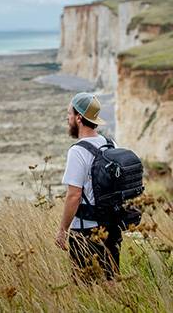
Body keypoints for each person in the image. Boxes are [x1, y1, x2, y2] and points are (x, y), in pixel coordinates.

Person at [54, 92, 122, 280]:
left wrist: (62, 230)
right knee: (111, 282)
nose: (68, 119)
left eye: (69, 114)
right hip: (111, 227)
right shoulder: (110, 144)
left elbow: (74, 195)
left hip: (85, 230)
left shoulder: (78, 151)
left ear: (79, 118)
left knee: (84, 287)